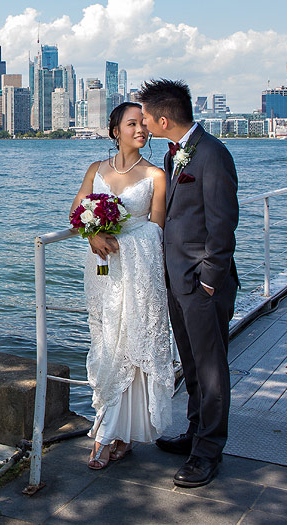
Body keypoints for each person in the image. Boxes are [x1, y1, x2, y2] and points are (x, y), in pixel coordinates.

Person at [137, 79, 239, 489]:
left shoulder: (212, 155)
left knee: (211, 369)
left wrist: (211, 280)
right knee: (193, 364)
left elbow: (223, 223)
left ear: (163, 119)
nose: (142, 123)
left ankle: (208, 452)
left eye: (145, 117)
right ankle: (195, 433)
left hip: (202, 283)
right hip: (177, 279)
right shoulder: (173, 154)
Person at [70, 102, 173, 470]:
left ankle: (109, 433)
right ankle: (117, 431)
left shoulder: (156, 175)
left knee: (131, 340)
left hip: (137, 273)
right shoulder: (96, 169)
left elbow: (156, 229)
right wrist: (92, 234)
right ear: (115, 130)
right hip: (101, 269)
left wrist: (123, 239)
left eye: (144, 124)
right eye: (133, 124)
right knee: (106, 342)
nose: (141, 130)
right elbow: (76, 210)